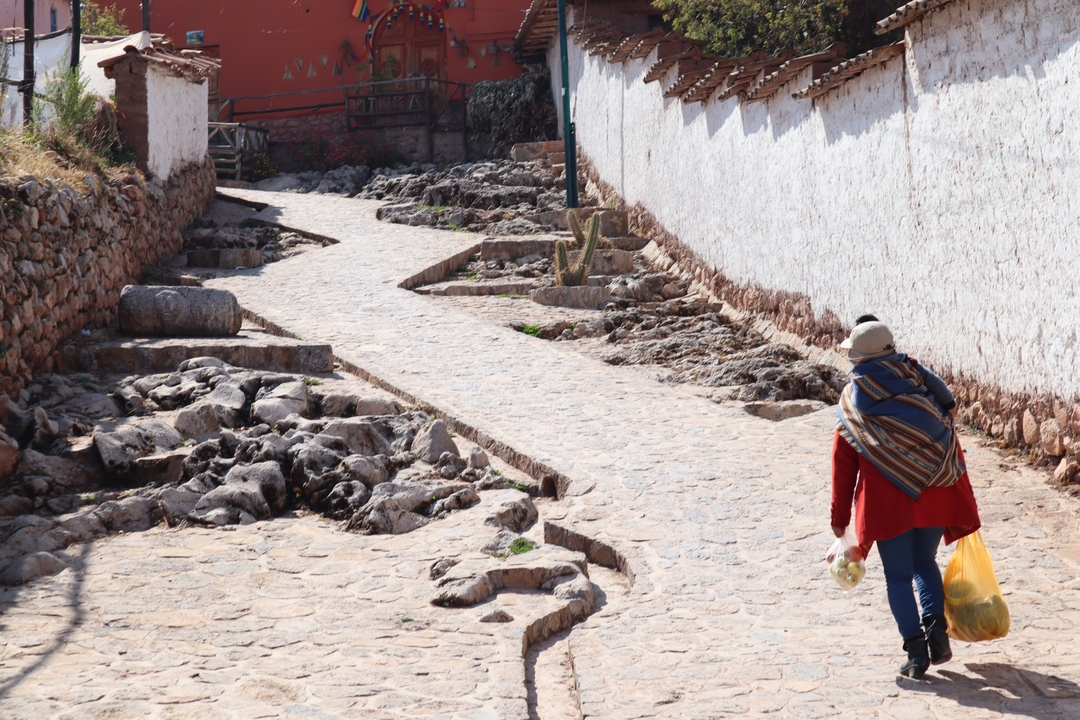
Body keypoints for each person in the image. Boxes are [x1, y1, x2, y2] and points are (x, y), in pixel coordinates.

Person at [829, 320, 981, 679]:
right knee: (925, 563)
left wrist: (839, 521)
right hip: (935, 492)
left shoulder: (854, 402)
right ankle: (937, 634)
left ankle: (916, 653)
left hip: (888, 502)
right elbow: (950, 427)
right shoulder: (921, 384)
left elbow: (843, 464)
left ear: (858, 357)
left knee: (898, 577)